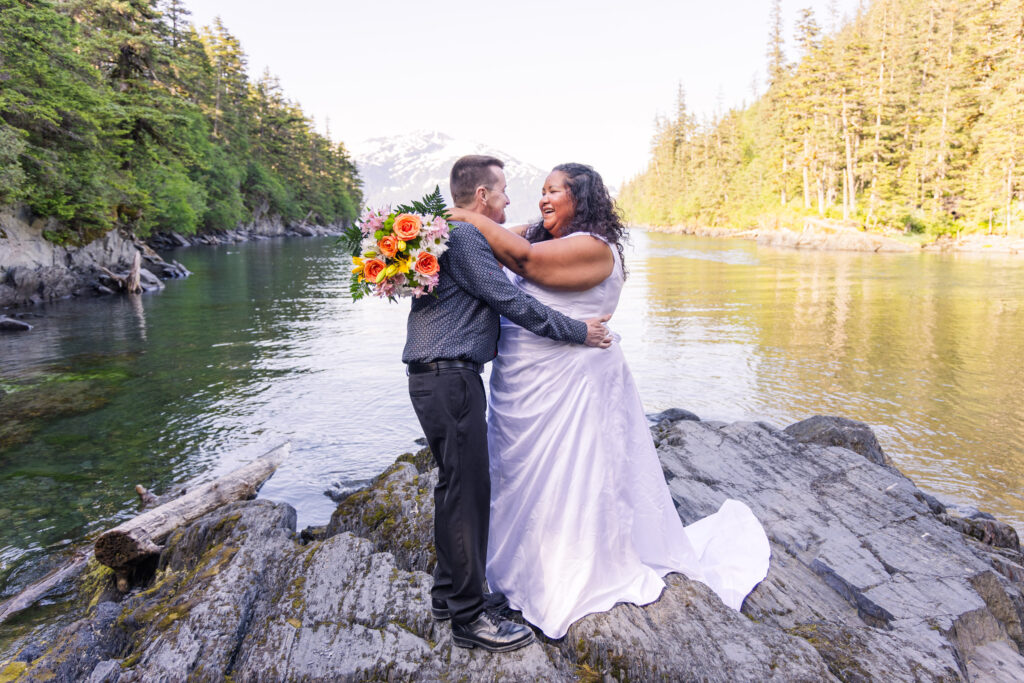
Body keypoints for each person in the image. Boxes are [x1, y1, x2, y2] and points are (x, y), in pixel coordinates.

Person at [447, 162, 771, 639]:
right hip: (521, 385)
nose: (543, 198)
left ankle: (569, 573)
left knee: (568, 476)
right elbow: (501, 237)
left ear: (581, 198)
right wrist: (440, 230)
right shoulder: (545, 236)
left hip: (571, 384)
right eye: (541, 190)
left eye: (554, 190)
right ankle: (519, 573)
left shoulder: (594, 249)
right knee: (519, 478)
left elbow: (524, 262)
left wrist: (461, 216)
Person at [403, 155, 613, 652]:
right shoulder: (468, 238)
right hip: (449, 378)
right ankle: (470, 620)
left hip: (439, 377)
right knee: (467, 495)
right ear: (481, 197)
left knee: (454, 489)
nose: (508, 199)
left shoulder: (451, 234)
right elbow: (512, 300)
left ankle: (449, 595)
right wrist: (578, 331)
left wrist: (546, 221)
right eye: (501, 192)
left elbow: (524, 238)